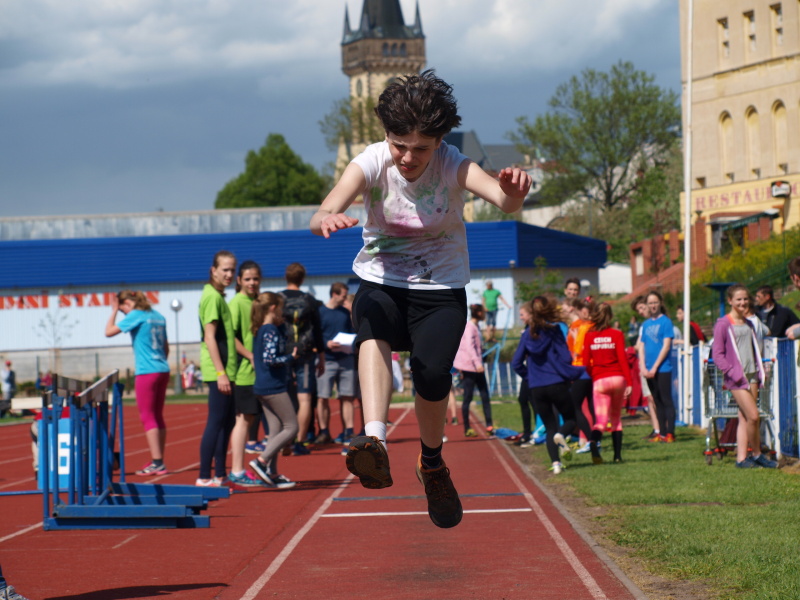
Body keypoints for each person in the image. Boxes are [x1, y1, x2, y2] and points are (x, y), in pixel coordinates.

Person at [310, 71, 531, 528]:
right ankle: (374, 441)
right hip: (382, 279)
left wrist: (513, 193)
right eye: (399, 146)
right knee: (371, 321)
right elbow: (324, 210)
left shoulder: (453, 164)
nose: (408, 158)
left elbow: (503, 200)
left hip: (440, 287)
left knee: (431, 373)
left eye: (421, 148)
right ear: (386, 136)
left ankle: (431, 463)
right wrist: (327, 219)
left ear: (439, 141)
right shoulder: (372, 161)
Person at [512, 297, 582, 475]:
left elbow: (516, 363)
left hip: (537, 387)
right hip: (556, 383)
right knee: (570, 419)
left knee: (549, 426)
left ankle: (556, 464)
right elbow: (566, 357)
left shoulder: (527, 334)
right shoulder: (554, 330)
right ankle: (562, 435)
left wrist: (530, 377)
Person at [712, 285, 777, 469]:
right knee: (754, 416)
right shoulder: (723, 324)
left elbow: (754, 348)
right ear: (730, 301)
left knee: (745, 417)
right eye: (738, 299)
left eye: (745, 299)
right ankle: (757, 454)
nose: (742, 302)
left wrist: (759, 371)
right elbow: (718, 355)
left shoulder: (749, 323)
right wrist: (733, 373)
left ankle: (741, 459)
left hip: (752, 374)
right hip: (736, 378)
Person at [105, 290, 170, 475]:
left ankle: (157, 462)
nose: (123, 313)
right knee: (158, 416)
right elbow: (166, 347)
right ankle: (159, 459)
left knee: (148, 417)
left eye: (122, 309)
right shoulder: (158, 316)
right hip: (162, 368)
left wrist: (113, 311)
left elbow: (108, 332)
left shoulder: (136, 315)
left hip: (146, 371)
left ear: (126, 303)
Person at [248, 292, 299, 488]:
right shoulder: (270, 330)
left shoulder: (261, 329)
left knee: (275, 429)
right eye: (280, 308)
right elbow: (270, 359)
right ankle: (262, 461)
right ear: (273, 308)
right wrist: (290, 357)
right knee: (291, 427)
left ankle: (272, 472)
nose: (282, 313)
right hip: (273, 386)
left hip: (263, 386)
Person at [196, 250, 238, 487]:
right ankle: (204, 476)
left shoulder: (219, 296)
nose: (229, 274)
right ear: (213, 270)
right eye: (225, 269)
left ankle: (220, 475)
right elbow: (209, 337)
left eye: (232, 270)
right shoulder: (212, 297)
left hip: (226, 369)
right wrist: (221, 372)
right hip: (218, 371)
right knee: (216, 422)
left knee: (227, 422)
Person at [227, 260, 270, 487]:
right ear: (239, 281)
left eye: (255, 278)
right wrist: (251, 356)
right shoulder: (236, 303)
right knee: (243, 420)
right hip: (245, 373)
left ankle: (257, 469)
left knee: (251, 419)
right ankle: (236, 470)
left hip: (261, 372)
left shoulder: (258, 301)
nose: (252, 282)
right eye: (247, 279)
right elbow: (231, 337)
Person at [280, 262, 325, 456]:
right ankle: (300, 440)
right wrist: (321, 355)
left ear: (286, 277)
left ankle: (284, 439)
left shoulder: (279, 299)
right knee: (305, 398)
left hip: (284, 352)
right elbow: (318, 330)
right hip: (306, 352)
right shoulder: (310, 300)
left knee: (283, 396)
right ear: (302, 278)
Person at [582, 303, 633, 463]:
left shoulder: (589, 335)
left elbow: (585, 362)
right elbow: (623, 359)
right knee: (616, 419)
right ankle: (617, 457)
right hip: (618, 378)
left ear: (594, 316)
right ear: (610, 316)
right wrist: (629, 382)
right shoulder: (617, 334)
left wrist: (594, 376)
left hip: (600, 380)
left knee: (601, 421)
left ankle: (593, 441)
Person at [315, 282, 358, 446]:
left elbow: (352, 333)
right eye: (343, 295)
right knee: (323, 397)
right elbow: (316, 335)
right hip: (326, 359)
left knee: (347, 397)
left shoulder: (345, 313)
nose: (345, 299)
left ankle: (349, 431)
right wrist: (327, 343)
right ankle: (324, 431)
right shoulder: (320, 312)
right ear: (334, 294)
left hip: (345, 359)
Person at [636, 291, 676, 443]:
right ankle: (661, 433)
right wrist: (643, 367)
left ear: (660, 303)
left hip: (663, 368)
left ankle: (670, 433)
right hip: (648, 369)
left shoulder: (666, 322)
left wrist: (655, 367)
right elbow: (642, 346)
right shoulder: (646, 324)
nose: (653, 305)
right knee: (656, 401)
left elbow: (666, 346)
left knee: (666, 400)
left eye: (655, 302)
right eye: (650, 303)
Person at [453, 304, 494, 437]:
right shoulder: (469, 327)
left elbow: (476, 346)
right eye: (484, 312)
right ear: (479, 313)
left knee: (485, 396)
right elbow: (469, 347)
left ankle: (489, 425)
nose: (485, 314)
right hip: (470, 368)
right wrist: (477, 364)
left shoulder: (476, 327)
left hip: (477, 367)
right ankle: (467, 428)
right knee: (468, 397)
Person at [566, 298, 596, 457]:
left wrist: (575, 336)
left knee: (576, 406)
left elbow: (578, 350)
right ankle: (592, 440)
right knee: (591, 406)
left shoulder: (582, 327)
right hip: (592, 370)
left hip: (581, 369)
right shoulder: (594, 326)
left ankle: (589, 440)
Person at [631, 295, 659, 438]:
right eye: (638, 310)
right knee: (650, 398)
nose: (641, 312)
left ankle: (662, 428)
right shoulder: (644, 325)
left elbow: (639, 345)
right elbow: (638, 345)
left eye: (642, 308)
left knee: (656, 398)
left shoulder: (659, 322)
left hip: (654, 364)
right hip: (645, 365)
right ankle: (656, 429)